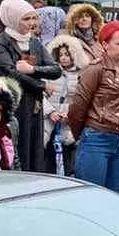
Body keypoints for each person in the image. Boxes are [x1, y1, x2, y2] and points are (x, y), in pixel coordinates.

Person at [0, 0, 62, 174]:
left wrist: (32, 69)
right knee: (15, 146)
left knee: (34, 148)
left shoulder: (34, 43)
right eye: (26, 19)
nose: (32, 23)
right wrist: (41, 86)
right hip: (11, 104)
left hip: (34, 104)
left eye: (34, 18)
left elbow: (55, 69)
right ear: (12, 18)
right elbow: (10, 72)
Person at [67, 22, 119, 192]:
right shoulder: (95, 69)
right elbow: (78, 106)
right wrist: (83, 133)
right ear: (105, 44)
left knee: (116, 193)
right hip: (97, 135)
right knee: (92, 194)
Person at [42, 36, 81, 176]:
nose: (63, 58)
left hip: (68, 120)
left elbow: (80, 99)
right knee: (45, 150)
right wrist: (50, 112)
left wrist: (71, 114)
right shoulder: (49, 72)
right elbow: (40, 95)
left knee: (67, 151)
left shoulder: (81, 74)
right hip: (49, 119)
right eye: (61, 55)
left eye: (67, 54)